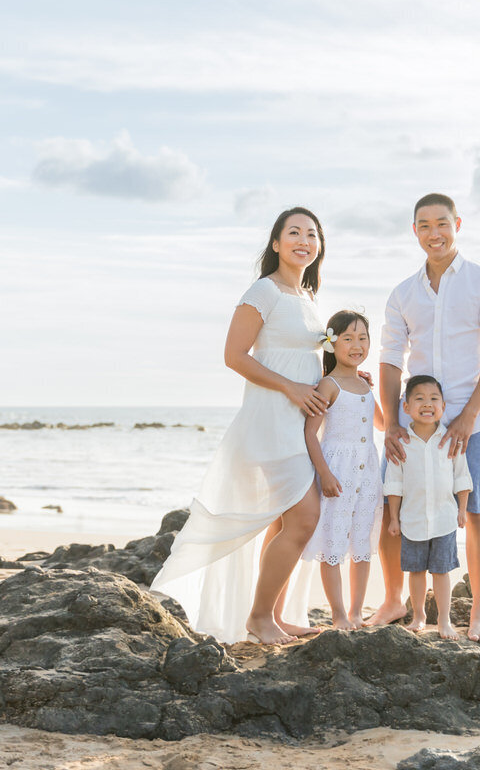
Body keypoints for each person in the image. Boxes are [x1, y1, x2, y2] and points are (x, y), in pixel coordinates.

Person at [153, 207, 329, 645]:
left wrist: (344, 375)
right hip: (269, 423)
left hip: (300, 424)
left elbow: (306, 358)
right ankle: (259, 618)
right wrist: (289, 388)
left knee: (285, 520)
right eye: (294, 232)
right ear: (276, 243)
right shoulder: (263, 291)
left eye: (311, 234)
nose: (303, 240)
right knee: (304, 518)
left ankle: (275, 613)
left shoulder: (307, 297)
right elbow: (235, 356)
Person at [370, 193, 480, 644]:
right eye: (424, 225)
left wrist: (468, 416)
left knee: (476, 513)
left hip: (475, 423)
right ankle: (394, 600)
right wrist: (393, 421)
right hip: (415, 428)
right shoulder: (403, 293)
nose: (434, 233)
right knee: (390, 509)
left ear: (457, 224)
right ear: (415, 231)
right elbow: (391, 358)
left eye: (442, 223)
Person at [300, 310, 386, 630]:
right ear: (331, 343)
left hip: (367, 474)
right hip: (338, 471)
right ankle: (337, 615)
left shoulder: (364, 385)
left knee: (362, 543)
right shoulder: (328, 384)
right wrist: (324, 474)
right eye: (348, 338)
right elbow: (311, 433)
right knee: (333, 543)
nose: (356, 345)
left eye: (363, 338)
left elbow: (380, 423)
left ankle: (356, 612)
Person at [384, 375, 471, 640]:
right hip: (412, 520)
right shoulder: (402, 444)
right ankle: (419, 615)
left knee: (442, 571)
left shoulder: (450, 440)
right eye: (419, 399)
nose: (427, 404)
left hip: (444, 518)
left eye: (434, 399)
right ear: (406, 406)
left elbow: (462, 477)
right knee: (416, 570)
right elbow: (394, 484)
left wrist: (462, 510)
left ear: (443, 406)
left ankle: (444, 620)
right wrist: (394, 519)